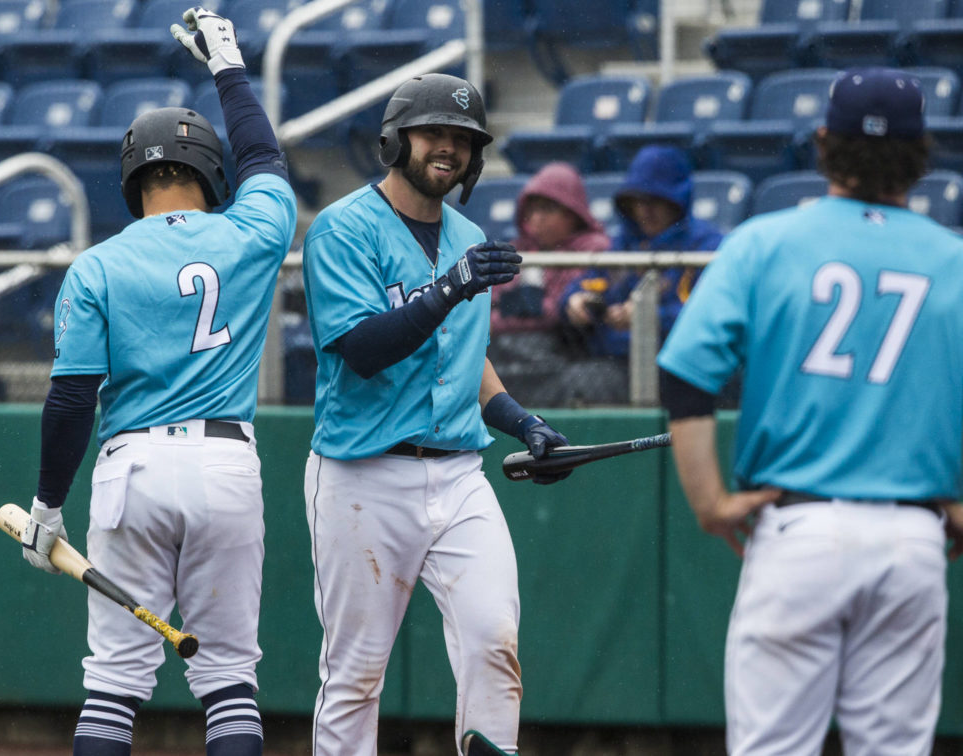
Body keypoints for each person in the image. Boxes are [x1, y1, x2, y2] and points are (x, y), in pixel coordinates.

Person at [657, 67, 963, 755]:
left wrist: (709, 501)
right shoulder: (953, 260)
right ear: (922, 154)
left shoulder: (766, 242)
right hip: (914, 540)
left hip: (799, 529)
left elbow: (684, 374)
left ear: (823, 142)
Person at [19, 8, 296, 755]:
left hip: (131, 468)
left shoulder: (96, 265)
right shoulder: (254, 230)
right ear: (209, 173)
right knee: (231, 680)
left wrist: (48, 507)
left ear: (132, 180)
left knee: (112, 687)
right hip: (225, 463)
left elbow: (73, 398)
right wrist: (229, 70)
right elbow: (265, 158)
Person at [301, 73, 572, 756]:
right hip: (362, 476)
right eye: (434, 133)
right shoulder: (343, 228)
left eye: (463, 138)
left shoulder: (468, 233)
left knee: (494, 641)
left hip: (457, 474)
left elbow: (467, 356)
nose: (448, 148)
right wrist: (447, 289)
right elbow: (363, 350)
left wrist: (522, 422)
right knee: (355, 675)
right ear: (398, 138)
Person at [560, 145, 723, 359]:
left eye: (656, 201)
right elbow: (588, 284)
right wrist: (576, 301)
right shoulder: (624, 244)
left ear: (677, 201)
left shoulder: (706, 245)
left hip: (682, 364)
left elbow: (710, 314)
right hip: (616, 361)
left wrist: (651, 316)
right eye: (637, 201)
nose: (645, 210)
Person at [489, 161, 611, 334]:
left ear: (573, 211)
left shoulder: (594, 248)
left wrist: (501, 318)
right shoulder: (521, 247)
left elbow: (556, 310)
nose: (536, 218)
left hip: (571, 350)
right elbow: (492, 298)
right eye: (531, 210)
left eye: (547, 209)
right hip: (514, 347)